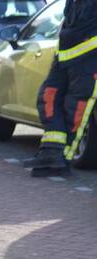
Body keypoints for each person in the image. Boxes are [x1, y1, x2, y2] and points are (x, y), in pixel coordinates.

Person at [24, 0, 97, 177]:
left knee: (75, 110)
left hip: (89, 59)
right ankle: (51, 152)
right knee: (47, 97)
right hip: (64, 56)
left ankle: (62, 159)